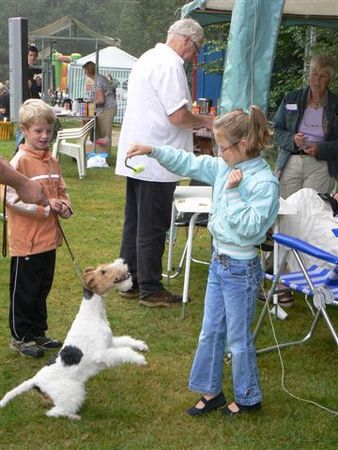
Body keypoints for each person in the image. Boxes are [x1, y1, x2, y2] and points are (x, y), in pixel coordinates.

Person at [127, 106, 280, 416]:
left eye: (222, 146)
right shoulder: (225, 167)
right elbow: (191, 162)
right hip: (219, 263)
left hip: (241, 269)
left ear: (243, 145)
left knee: (237, 339)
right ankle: (211, 392)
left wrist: (235, 194)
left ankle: (249, 397)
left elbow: (252, 229)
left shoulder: (264, 183)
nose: (218, 153)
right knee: (210, 331)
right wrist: (153, 150)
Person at [115, 18, 213, 306]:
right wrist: (207, 121)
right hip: (157, 158)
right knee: (153, 225)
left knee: (134, 221)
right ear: (185, 40)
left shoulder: (148, 57)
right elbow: (178, 116)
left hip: (139, 154)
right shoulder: (171, 66)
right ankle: (150, 287)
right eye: (196, 49)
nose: (194, 56)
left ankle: (128, 279)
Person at [4, 99, 72, 358]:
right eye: (38, 131)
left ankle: (37, 332)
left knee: (42, 288)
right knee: (25, 291)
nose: (45, 136)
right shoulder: (18, 162)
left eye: (48, 130)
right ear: (24, 129)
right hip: (26, 242)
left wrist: (65, 206)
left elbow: (62, 190)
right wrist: (45, 209)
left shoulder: (52, 160)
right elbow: (10, 199)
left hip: (48, 240)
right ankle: (20, 336)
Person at [274, 54, 338, 199]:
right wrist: (292, 140)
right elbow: (276, 130)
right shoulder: (291, 98)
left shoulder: (336, 105)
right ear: (309, 74)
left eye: (323, 76)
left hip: (321, 164)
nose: (317, 80)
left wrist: (321, 149)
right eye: (314, 74)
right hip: (290, 160)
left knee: (313, 210)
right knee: (286, 208)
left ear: (330, 79)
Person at [82, 61, 117, 160]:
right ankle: (100, 155)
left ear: (88, 71)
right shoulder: (100, 78)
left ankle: (105, 157)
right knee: (100, 134)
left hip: (107, 109)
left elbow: (101, 100)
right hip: (109, 108)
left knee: (104, 134)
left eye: (85, 71)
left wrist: (91, 102)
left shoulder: (97, 81)